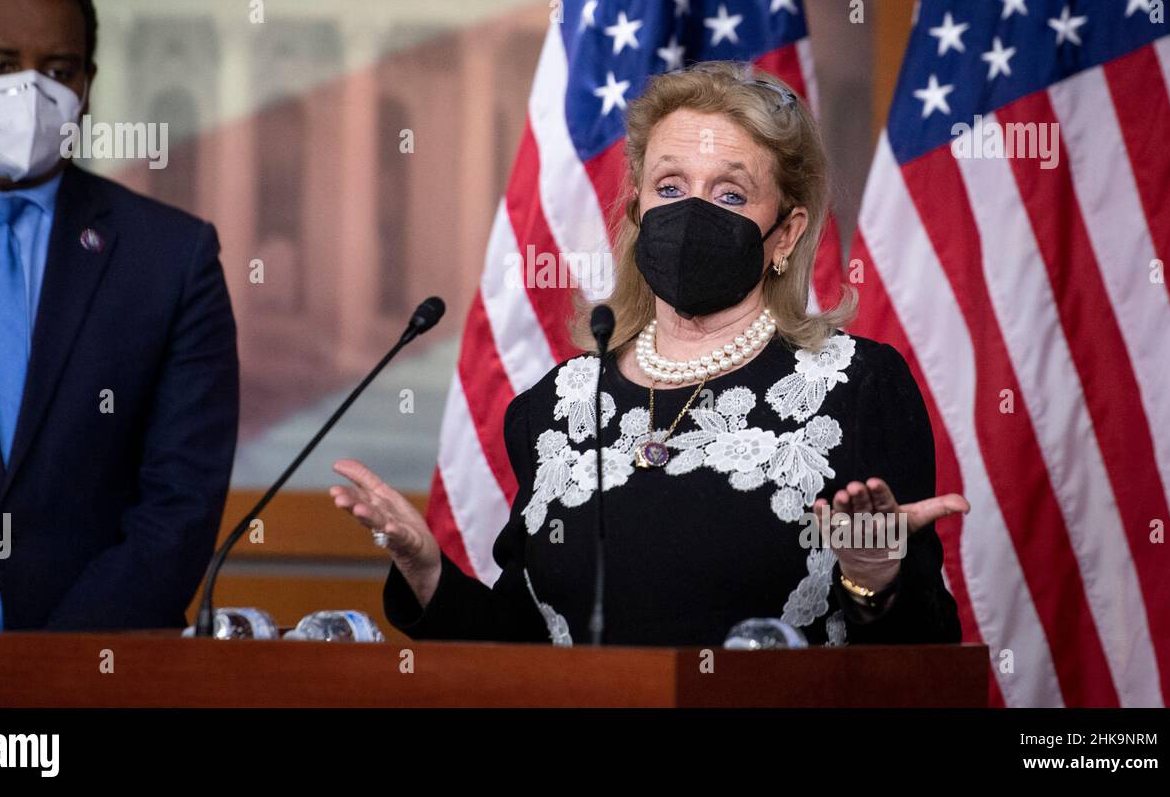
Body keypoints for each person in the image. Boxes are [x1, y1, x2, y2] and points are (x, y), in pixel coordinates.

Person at [330, 61, 968, 647]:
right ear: (636, 206)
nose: (692, 211)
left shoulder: (858, 387)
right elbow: (526, 647)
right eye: (670, 186)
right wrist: (426, 570)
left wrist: (873, 580)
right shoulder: (556, 406)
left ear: (787, 233)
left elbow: (926, 657)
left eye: (729, 195)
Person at [0, 0, 239, 702]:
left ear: (88, 86)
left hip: (90, 690)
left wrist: (28, 683)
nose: (30, 93)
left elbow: (176, 512)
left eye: (58, 72)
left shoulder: (172, 257)